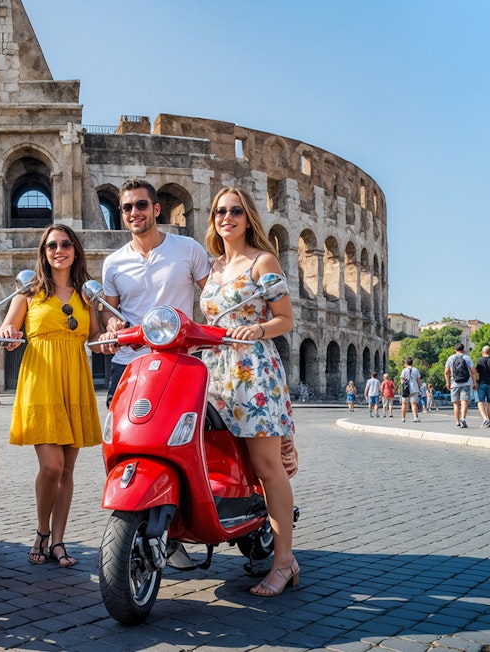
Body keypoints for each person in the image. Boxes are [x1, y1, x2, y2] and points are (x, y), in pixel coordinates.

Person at [198, 186, 298, 597]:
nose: (227, 217)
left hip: (253, 372)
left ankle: (284, 562)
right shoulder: (213, 267)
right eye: (220, 211)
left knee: (266, 468)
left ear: (247, 216)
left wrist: (258, 328)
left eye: (236, 211)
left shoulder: (263, 261)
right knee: (227, 461)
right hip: (216, 373)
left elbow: (286, 318)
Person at [0, 224, 103, 568]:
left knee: (68, 470)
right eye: (52, 245)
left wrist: (111, 334)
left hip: (75, 381)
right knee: (52, 467)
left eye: (65, 244)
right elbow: (7, 330)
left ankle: (58, 541)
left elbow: (96, 339)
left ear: (75, 250)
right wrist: (8, 332)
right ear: (43, 252)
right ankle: (41, 530)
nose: (59, 250)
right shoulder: (28, 292)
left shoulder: (87, 295)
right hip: (41, 381)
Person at [97, 179, 211, 406]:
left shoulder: (188, 248)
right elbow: (110, 310)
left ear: (156, 209)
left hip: (178, 360)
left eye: (141, 205)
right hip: (128, 362)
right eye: (127, 208)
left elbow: (213, 297)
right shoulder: (113, 262)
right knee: (122, 437)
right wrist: (111, 324)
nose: (134, 212)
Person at [445, 342, 476, 429]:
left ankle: (457, 422)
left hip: (454, 383)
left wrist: (448, 383)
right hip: (466, 382)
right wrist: (474, 383)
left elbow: (446, 372)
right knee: (464, 401)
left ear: (455, 350)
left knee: (456, 404)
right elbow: (473, 371)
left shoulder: (450, 358)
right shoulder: (467, 358)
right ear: (463, 350)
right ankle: (463, 418)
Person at [399, 358, 422, 423]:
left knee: (404, 404)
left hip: (406, 389)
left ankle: (403, 418)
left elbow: (402, 379)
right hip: (414, 388)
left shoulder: (404, 370)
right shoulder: (416, 370)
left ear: (406, 363)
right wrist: (419, 387)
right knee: (414, 404)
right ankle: (415, 417)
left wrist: (403, 387)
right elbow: (418, 380)